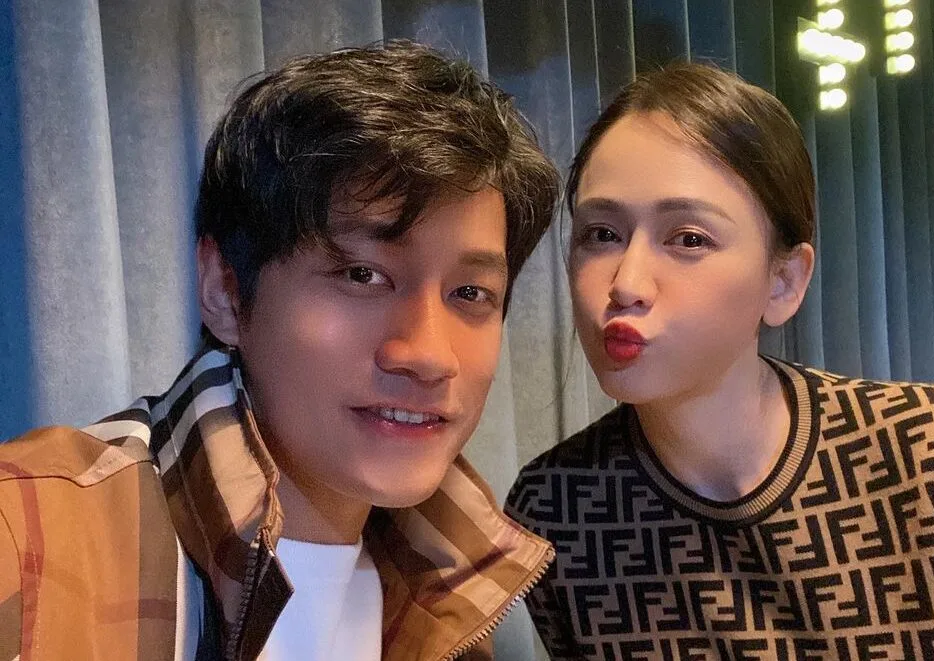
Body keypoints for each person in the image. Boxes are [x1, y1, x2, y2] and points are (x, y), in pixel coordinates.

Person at [0, 40, 558, 660]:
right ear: (224, 288)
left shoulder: (448, 595)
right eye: (362, 275)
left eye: (471, 293)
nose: (430, 356)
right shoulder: (31, 539)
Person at [505, 61, 934, 660]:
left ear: (783, 281)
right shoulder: (555, 508)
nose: (626, 283)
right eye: (601, 234)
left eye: (689, 239)